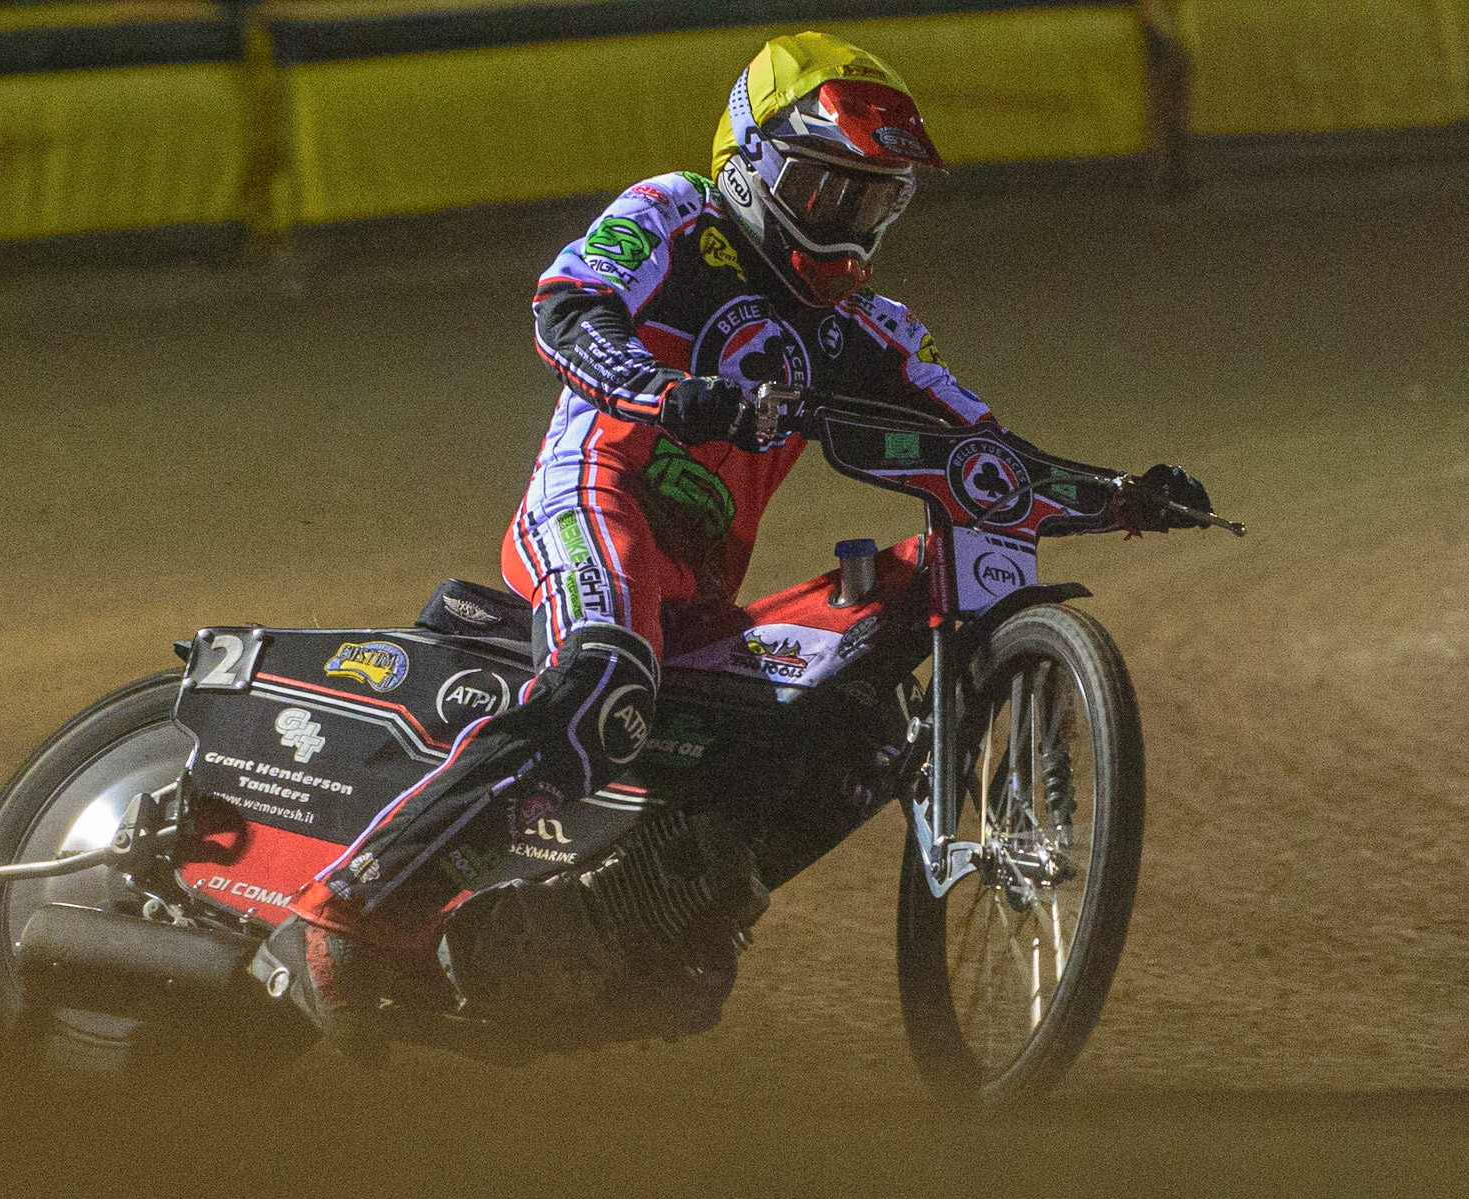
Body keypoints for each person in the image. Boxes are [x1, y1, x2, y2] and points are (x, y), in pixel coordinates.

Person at [258, 31, 1202, 1042]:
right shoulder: (670, 212)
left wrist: (1118, 498)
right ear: (750, 163)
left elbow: (977, 453)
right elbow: (566, 311)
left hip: (696, 596)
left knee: (857, 735)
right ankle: (354, 905)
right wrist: (670, 393)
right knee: (607, 684)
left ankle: (639, 912)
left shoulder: (865, 329)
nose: (846, 224)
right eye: (825, 188)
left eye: (871, 200)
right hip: (591, 496)